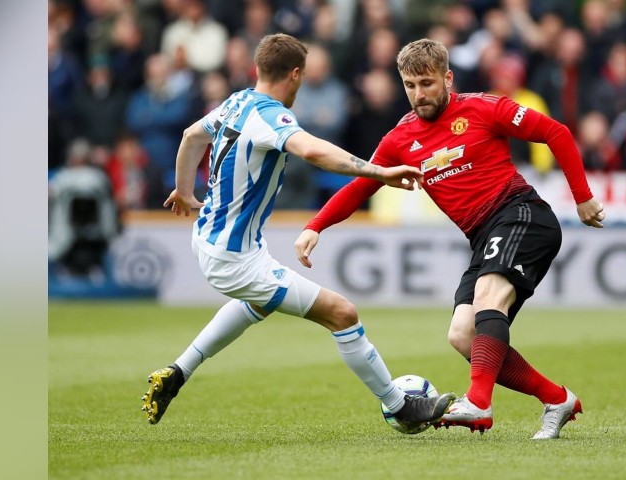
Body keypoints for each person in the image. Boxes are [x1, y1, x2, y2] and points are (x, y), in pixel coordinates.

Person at [295, 39, 605, 440]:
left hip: (521, 214)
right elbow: (360, 186)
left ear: (447, 77)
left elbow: (556, 132)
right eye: (409, 85)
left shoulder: (484, 107)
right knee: (463, 335)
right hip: (483, 235)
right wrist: (315, 226)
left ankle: (478, 402)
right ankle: (557, 398)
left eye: (426, 83)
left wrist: (583, 198)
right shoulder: (399, 139)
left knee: (489, 298)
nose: (418, 94)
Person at [141, 34, 455, 428]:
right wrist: (379, 171)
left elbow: (191, 137)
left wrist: (185, 191)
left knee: (257, 303)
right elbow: (313, 150)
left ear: (258, 69)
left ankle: (178, 371)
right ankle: (399, 405)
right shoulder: (270, 115)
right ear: (295, 74)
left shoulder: (237, 101)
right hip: (234, 257)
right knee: (342, 313)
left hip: (212, 240)